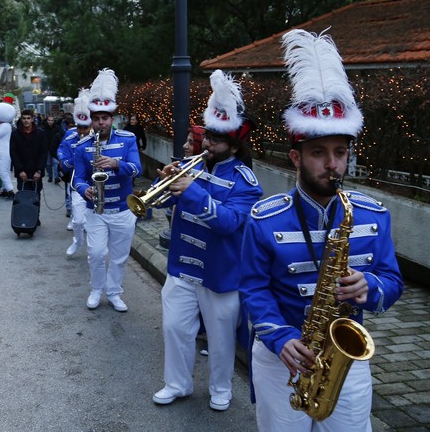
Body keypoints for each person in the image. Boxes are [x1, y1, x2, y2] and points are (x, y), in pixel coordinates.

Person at [240, 29, 403, 431]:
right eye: (318, 153)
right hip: (284, 356)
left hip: (344, 362)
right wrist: (279, 338)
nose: (332, 165)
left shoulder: (373, 215)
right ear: (296, 157)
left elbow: (392, 280)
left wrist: (371, 287)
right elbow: (252, 288)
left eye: (340, 153)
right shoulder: (264, 218)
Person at [152, 69, 262, 412]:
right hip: (182, 266)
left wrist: (193, 192)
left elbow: (229, 223)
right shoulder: (190, 164)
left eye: (215, 139)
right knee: (174, 329)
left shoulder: (247, 181)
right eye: (206, 136)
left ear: (233, 144)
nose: (206, 143)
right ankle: (178, 384)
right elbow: (168, 204)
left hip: (220, 274)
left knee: (220, 339)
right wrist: (166, 188)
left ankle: (220, 388)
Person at [72, 69, 141, 311]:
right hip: (96, 210)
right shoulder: (82, 146)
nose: (101, 122)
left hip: (123, 208)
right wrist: (84, 191)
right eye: (97, 118)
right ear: (91, 120)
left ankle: (114, 292)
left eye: (105, 118)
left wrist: (116, 164)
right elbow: (77, 179)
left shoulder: (128, 139)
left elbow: (136, 169)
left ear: (113, 118)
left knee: (120, 257)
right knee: (97, 254)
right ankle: (96, 289)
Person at [57, 88, 91, 256]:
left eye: (86, 128)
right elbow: (61, 152)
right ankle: (78, 242)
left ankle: (95, 249)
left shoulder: (100, 136)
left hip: (100, 185)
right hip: (78, 184)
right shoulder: (70, 136)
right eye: (80, 128)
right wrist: (68, 162)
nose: (83, 132)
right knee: (77, 220)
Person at [10, 109, 47, 200]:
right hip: (22, 173)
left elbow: (44, 152)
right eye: (24, 118)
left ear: (32, 119)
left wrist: (39, 170)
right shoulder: (15, 134)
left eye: (28, 118)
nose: (26, 120)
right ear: (21, 119)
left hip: (36, 172)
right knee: (23, 198)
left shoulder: (40, 133)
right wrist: (20, 170)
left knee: (35, 198)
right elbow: (13, 153)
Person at [0, 102, 16, 198]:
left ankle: (11, 190)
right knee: (5, 171)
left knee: (2, 172)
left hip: (3, 154)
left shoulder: (5, 126)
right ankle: (5, 189)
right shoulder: (4, 125)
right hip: (2, 153)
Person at [43, 114, 63, 183]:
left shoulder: (57, 128)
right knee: (48, 163)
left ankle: (56, 177)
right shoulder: (43, 128)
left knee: (55, 163)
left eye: (52, 120)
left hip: (55, 148)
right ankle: (50, 175)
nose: (50, 122)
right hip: (47, 148)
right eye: (49, 120)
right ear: (47, 120)